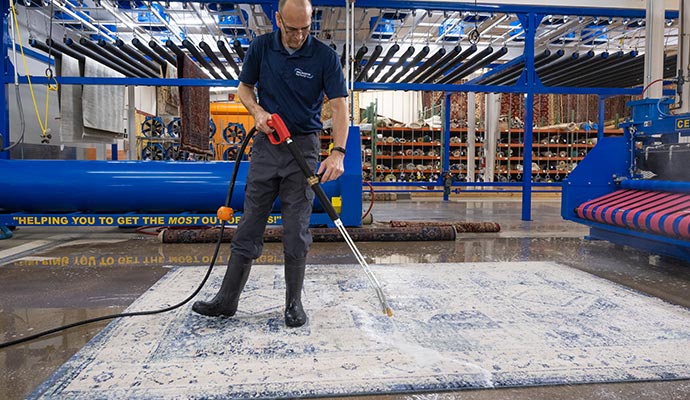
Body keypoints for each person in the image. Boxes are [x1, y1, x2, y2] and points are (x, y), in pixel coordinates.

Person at [192, 0, 349, 328]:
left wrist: (338, 152)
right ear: (277, 20)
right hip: (266, 145)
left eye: (306, 28)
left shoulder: (325, 57)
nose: (299, 36)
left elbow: (338, 107)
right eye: (292, 30)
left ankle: (293, 304)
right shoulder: (261, 48)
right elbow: (243, 89)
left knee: (296, 229)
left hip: (302, 148)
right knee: (249, 223)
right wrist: (257, 112)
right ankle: (226, 300)